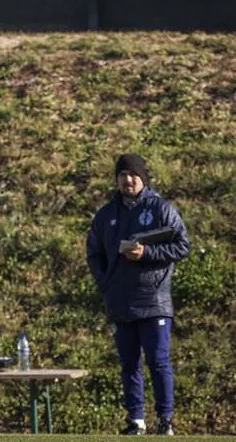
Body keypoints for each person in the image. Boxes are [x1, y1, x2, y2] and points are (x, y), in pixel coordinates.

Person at [86, 153, 190, 435]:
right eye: (122, 175)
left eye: (132, 175)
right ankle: (136, 420)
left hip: (154, 300)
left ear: (143, 178)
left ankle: (165, 420)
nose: (127, 180)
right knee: (129, 364)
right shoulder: (106, 215)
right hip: (120, 300)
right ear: (117, 179)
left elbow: (182, 246)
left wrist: (148, 253)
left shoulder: (160, 209)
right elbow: (94, 254)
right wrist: (105, 282)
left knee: (158, 361)